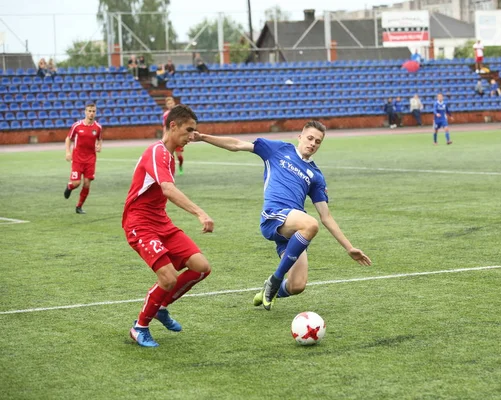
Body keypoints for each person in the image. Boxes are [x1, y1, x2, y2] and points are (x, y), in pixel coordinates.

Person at [195, 120, 372, 311]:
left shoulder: (316, 176)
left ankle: (268, 290)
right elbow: (237, 145)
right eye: (310, 138)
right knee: (310, 225)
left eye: (318, 141)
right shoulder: (278, 149)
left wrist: (349, 248)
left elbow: (326, 216)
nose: (312, 143)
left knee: (297, 285)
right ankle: (275, 279)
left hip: (293, 228)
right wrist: (203, 137)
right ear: (300, 137)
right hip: (274, 216)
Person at [124, 104, 214, 347]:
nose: (190, 136)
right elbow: (167, 189)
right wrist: (199, 212)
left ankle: (161, 306)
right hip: (139, 224)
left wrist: (199, 135)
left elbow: (162, 193)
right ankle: (139, 327)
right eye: (188, 131)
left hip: (161, 222)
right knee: (168, 278)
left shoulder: (169, 156)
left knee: (201, 267)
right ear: (172, 126)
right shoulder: (157, 152)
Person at [63, 102, 103, 214]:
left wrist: (99, 146)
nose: (91, 113)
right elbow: (68, 139)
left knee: (86, 183)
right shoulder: (77, 125)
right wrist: (67, 152)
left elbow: (99, 139)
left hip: (90, 159)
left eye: (93, 111)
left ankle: (79, 207)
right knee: (76, 183)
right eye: (89, 111)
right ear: (85, 112)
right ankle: (69, 187)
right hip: (78, 159)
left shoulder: (98, 127)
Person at [162, 97, 184, 175]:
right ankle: (170, 171)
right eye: (168, 104)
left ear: (174, 103)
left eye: (171, 103)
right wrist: (164, 137)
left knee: (180, 157)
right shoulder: (165, 115)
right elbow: (165, 126)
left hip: (178, 137)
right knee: (169, 156)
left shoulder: (178, 113)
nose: (170, 105)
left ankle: (181, 166)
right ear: (166, 105)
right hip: (170, 138)